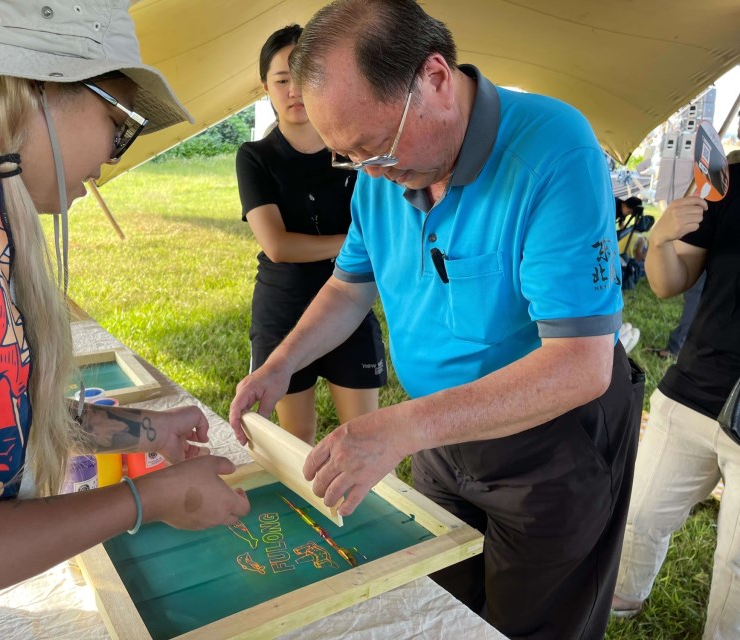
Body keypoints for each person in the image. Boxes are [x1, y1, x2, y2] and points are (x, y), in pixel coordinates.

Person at [229, 1, 642, 638]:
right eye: (350, 158)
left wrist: (400, 428)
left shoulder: (553, 148)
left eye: (375, 148)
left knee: (531, 623)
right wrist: (282, 364)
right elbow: (347, 288)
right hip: (436, 438)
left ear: (436, 78)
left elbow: (581, 365)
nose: (374, 174)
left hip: (551, 446)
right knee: (439, 610)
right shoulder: (378, 173)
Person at [0, 0, 249, 624]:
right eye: (120, 121)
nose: (114, 153)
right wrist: (145, 500)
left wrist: (148, 432)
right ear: (37, 89)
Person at [235, 25, 386, 444]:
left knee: (362, 437)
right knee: (294, 441)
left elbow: (383, 220)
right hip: (283, 310)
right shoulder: (255, 156)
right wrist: (358, 244)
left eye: (304, 77)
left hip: (349, 308)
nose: (294, 90)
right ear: (265, 86)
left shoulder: (353, 151)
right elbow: (278, 246)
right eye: (282, 80)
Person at [612, 163, 740, 638]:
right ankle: (622, 597)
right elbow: (669, 282)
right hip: (693, 388)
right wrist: (662, 239)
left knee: (735, 560)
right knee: (640, 514)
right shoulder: (729, 179)